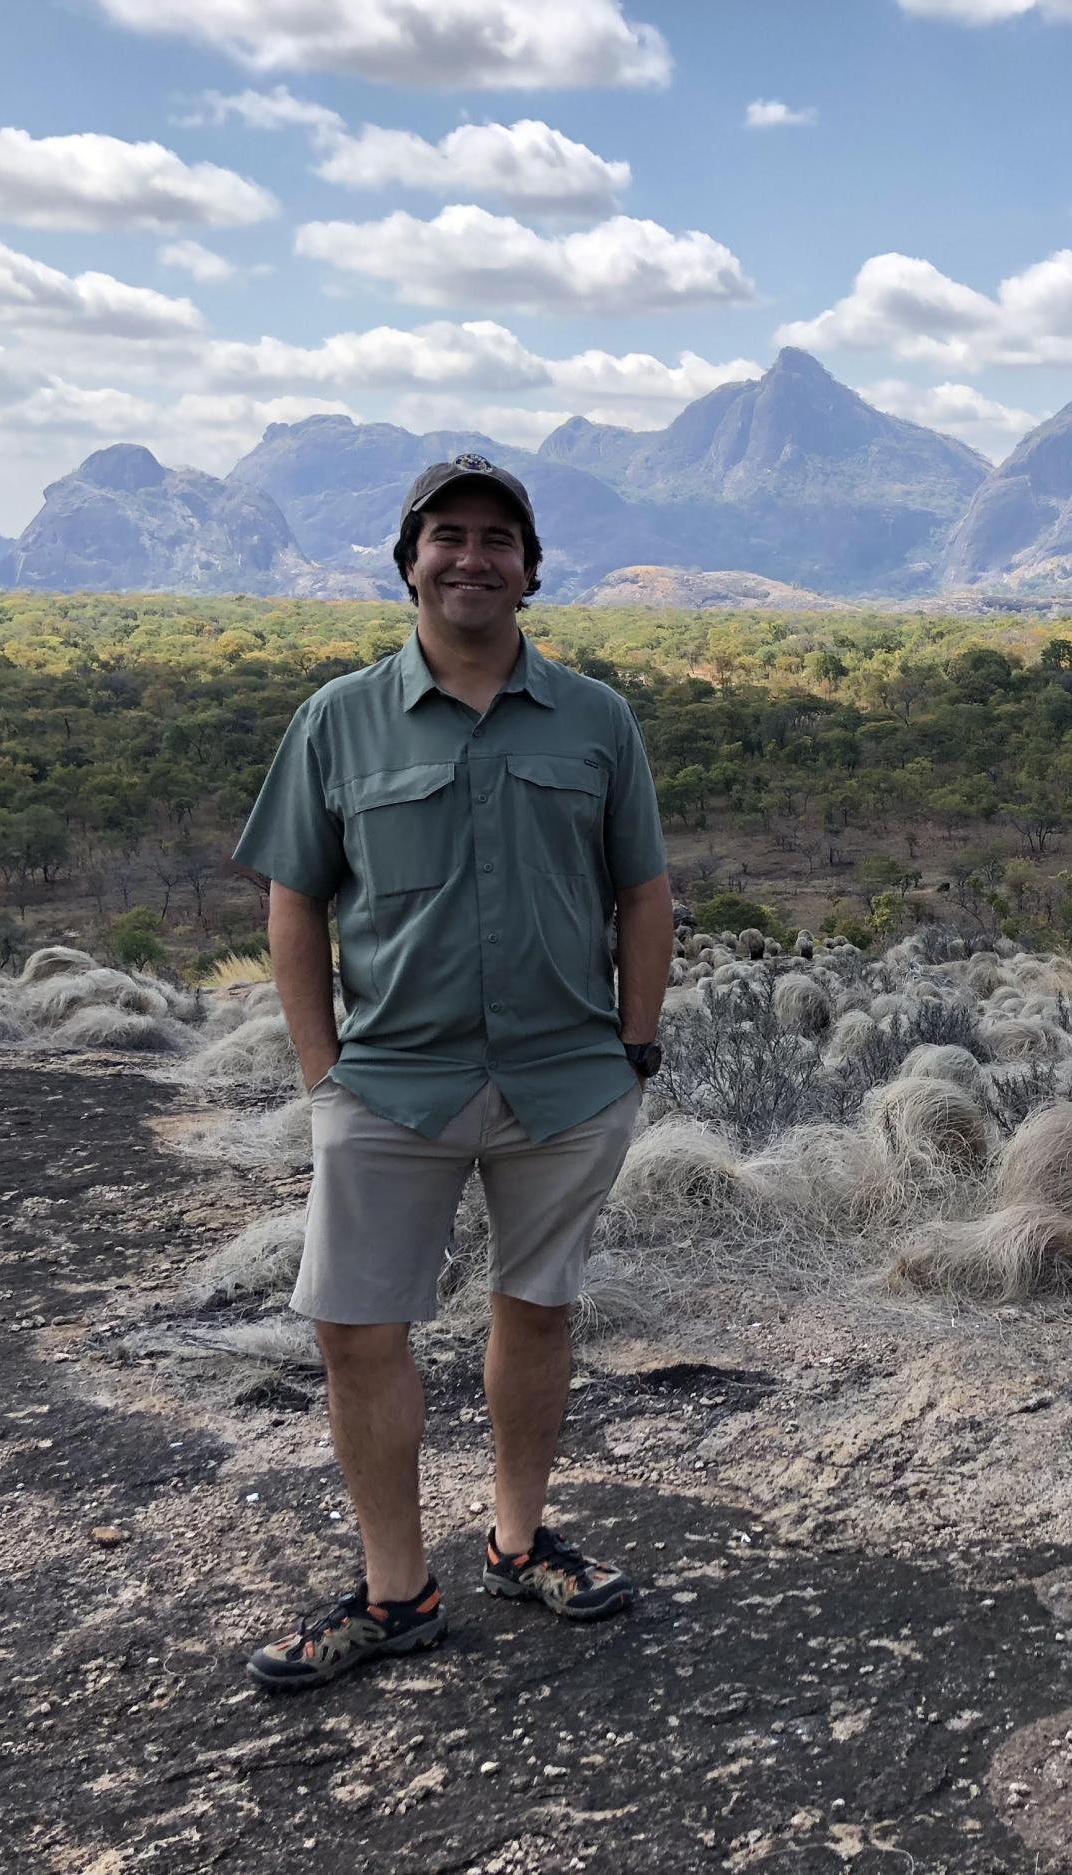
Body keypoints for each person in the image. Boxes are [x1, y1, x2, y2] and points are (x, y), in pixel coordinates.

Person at [231, 453, 674, 1690]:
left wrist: (633, 1051)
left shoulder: (595, 719)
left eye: (496, 538)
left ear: (531, 571)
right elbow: (294, 900)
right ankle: (393, 1589)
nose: (470, 556)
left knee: (537, 1312)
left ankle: (521, 1539)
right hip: (391, 1084)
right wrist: (324, 1074)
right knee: (356, 1333)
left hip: (564, 1080)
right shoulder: (336, 719)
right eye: (447, 536)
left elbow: (643, 890)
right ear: (408, 560)